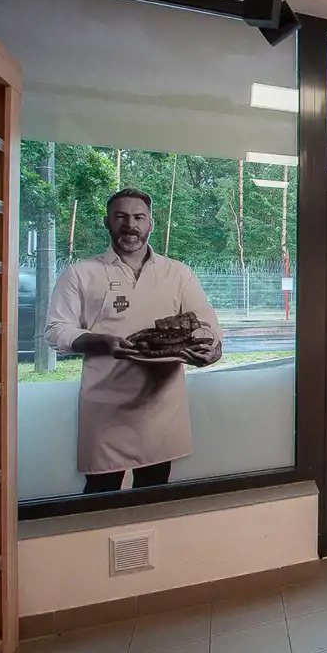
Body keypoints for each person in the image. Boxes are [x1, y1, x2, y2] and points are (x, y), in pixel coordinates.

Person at [45, 188, 222, 494]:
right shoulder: (81, 274)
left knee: (154, 490)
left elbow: (206, 324)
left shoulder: (177, 274)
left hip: (161, 404)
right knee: (101, 491)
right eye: (121, 217)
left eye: (139, 217)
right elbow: (56, 329)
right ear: (107, 222)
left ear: (150, 223)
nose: (130, 225)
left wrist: (212, 348)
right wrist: (99, 341)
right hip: (105, 407)